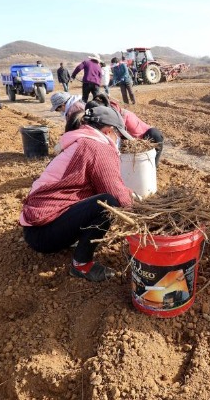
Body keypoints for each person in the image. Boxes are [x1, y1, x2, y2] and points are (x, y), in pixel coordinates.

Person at [19, 104, 137, 282]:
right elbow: (117, 196)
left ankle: (74, 238)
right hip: (42, 234)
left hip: (37, 227)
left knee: (101, 200)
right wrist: (141, 211)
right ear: (108, 131)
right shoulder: (98, 148)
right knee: (108, 203)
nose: (118, 139)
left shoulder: (80, 140)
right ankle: (82, 265)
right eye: (118, 135)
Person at [92, 93, 164, 166]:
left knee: (150, 164)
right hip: (140, 138)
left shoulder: (121, 117)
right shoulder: (116, 113)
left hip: (152, 136)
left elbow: (118, 137)